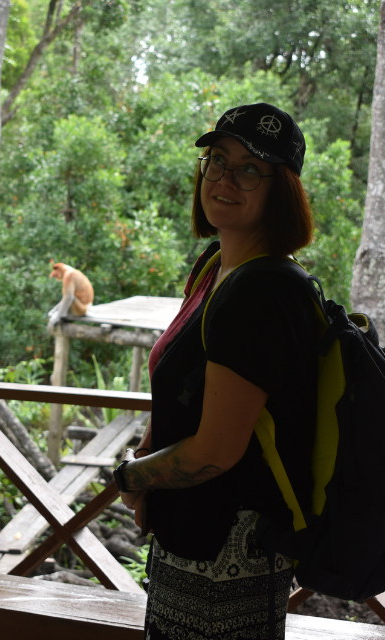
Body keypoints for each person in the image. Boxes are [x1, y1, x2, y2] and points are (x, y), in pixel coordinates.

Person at [113, 103, 318, 640]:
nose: (225, 178)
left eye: (250, 168)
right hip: (188, 537)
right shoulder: (215, 266)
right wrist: (149, 468)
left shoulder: (264, 291)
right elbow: (182, 393)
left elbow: (215, 450)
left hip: (233, 553)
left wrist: (130, 478)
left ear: (283, 190)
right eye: (217, 160)